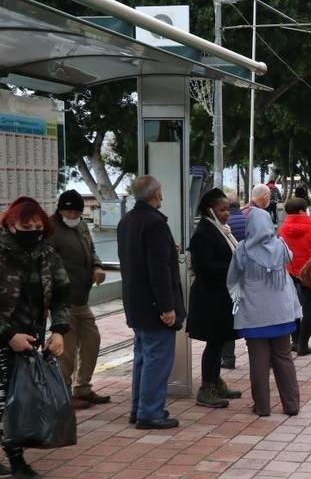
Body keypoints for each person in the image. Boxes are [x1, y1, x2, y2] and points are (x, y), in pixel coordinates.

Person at [0, 197, 70, 479]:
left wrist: (59, 330)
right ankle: (17, 463)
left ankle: (16, 460)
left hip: (30, 341)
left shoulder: (48, 256)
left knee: (19, 399)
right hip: (5, 338)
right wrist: (7, 335)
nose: (32, 231)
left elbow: (63, 296)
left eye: (37, 226)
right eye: (25, 225)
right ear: (10, 225)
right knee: (6, 401)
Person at [118, 175, 185, 430]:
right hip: (154, 305)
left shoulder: (127, 221)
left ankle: (140, 408)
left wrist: (170, 250)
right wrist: (167, 307)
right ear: (156, 193)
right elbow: (158, 270)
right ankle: (150, 413)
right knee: (157, 359)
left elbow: (136, 259)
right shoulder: (156, 224)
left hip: (135, 302)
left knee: (142, 358)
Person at [227, 208, 302, 417]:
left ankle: (262, 406)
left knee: (258, 361)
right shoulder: (280, 246)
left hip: (253, 315)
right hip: (281, 313)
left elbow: (232, 280)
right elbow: (290, 258)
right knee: (283, 358)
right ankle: (291, 404)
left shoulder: (242, 250)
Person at [47, 190, 110, 411]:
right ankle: (64, 393)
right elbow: (46, 264)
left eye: (76, 211)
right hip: (63, 300)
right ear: (60, 209)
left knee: (92, 341)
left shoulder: (81, 226)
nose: (72, 215)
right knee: (66, 349)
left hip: (82, 299)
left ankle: (82, 387)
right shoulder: (51, 229)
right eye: (68, 210)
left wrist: (97, 266)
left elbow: (91, 250)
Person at [187, 189, 242, 408]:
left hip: (221, 297)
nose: (227, 213)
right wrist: (235, 267)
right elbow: (205, 267)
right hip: (210, 299)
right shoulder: (204, 233)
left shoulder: (222, 230)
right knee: (214, 342)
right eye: (222, 209)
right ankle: (206, 387)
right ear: (210, 210)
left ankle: (215, 380)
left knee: (219, 342)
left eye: (228, 208)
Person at [222, 184, 270, 369]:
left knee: (229, 314)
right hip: (254, 276)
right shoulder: (252, 218)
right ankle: (263, 355)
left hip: (231, 275)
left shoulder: (228, 224)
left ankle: (228, 358)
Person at [278, 199, 311, 356]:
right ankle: (303, 344)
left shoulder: (282, 229)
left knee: (292, 306)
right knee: (309, 308)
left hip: (288, 272)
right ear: (303, 211)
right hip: (308, 274)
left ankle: (295, 341)